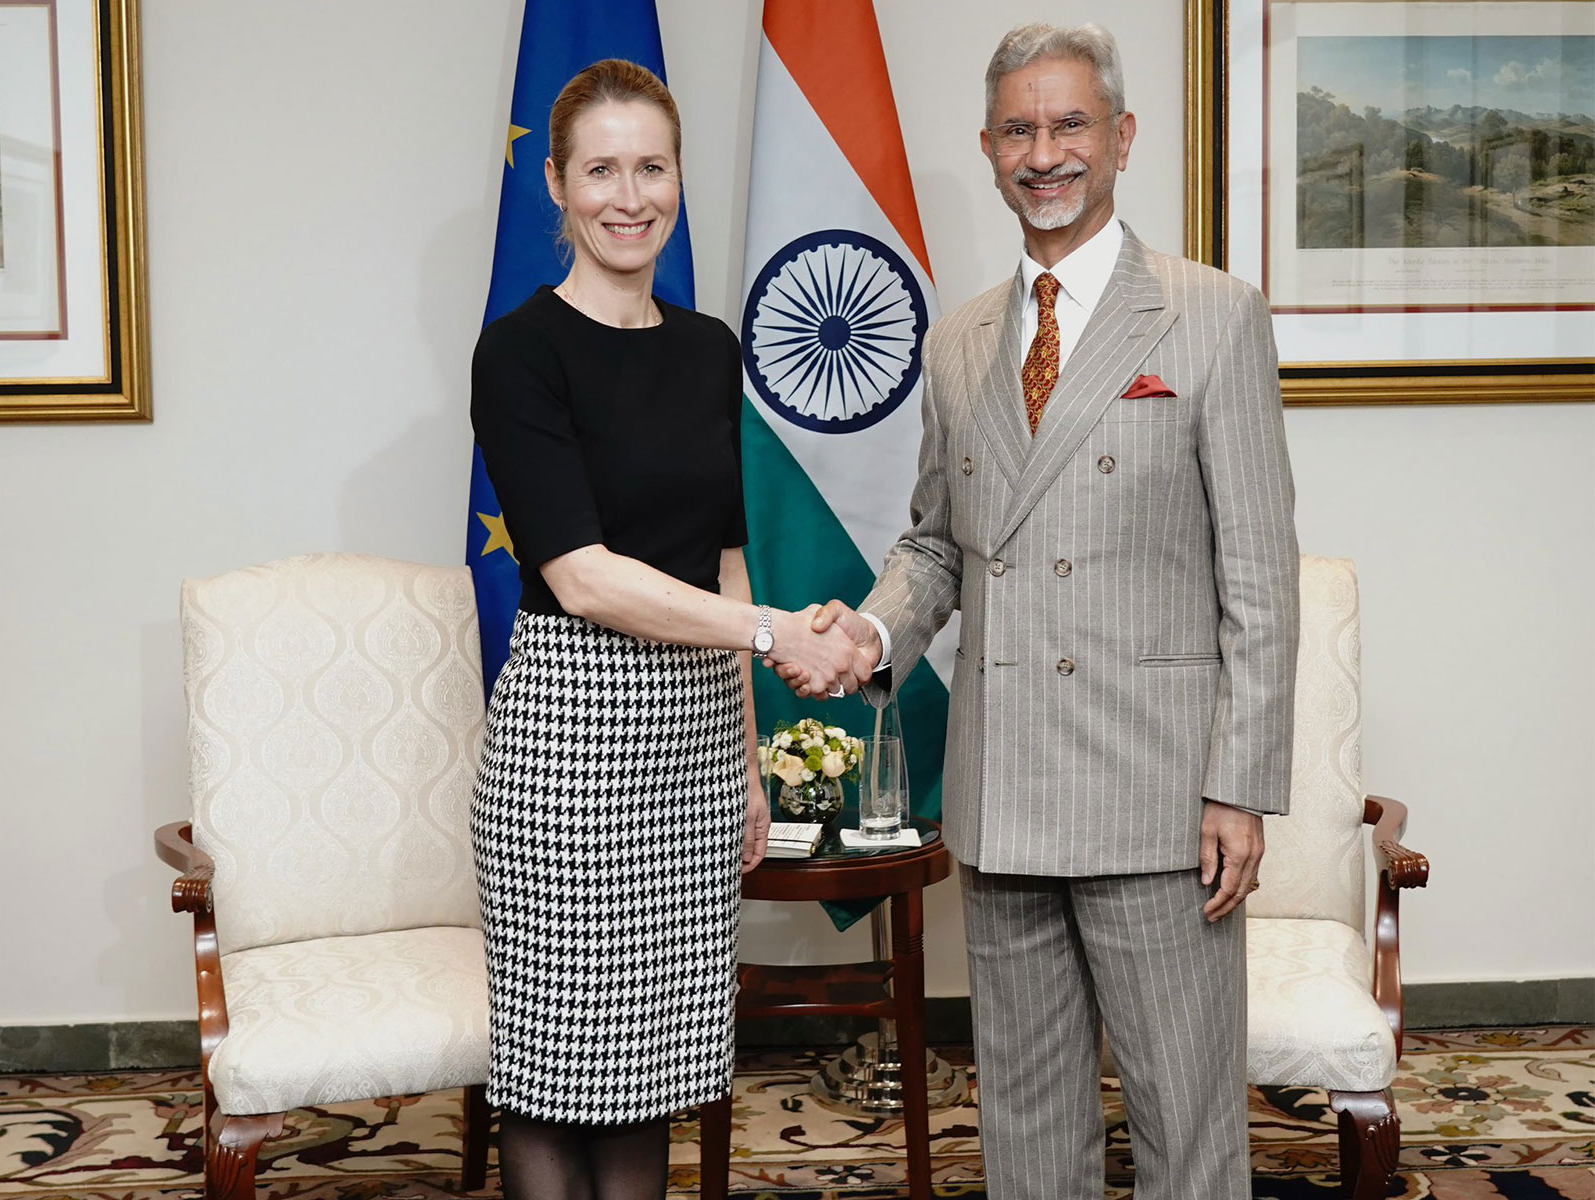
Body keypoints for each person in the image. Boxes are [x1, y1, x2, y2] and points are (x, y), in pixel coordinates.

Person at [795, 23, 1300, 1200]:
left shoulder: (1210, 315)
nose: (1044, 153)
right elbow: (936, 540)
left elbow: (1260, 576)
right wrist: (872, 630)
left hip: (1160, 795)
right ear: (986, 148)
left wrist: (1240, 784)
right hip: (1006, 788)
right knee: (1025, 1122)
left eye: (1069, 125)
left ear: (1120, 139)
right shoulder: (959, 338)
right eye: (1018, 129)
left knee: (1185, 1123)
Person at [468, 59, 861, 1200]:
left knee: (645, 1074)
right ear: (555, 184)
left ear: (678, 176)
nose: (628, 196)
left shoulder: (707, 349)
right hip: (568, 748)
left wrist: (742, 763)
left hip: (691, 757)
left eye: (651, 166)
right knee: (554, 1081)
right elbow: (583, 577)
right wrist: (777, 628)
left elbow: (723, 555)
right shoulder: (520, 350)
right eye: (601, 169)